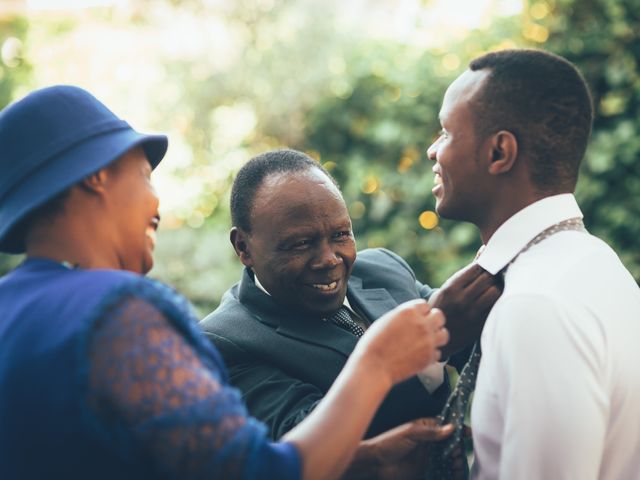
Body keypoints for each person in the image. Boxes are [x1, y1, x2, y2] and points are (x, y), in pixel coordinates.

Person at [0, 85, 452, 480]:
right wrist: (376, 365)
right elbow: (255, 473)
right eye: (144, 175)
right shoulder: (119, 309)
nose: (156, 203)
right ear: (97, 176)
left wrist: (366, 462)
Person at [200, 149, 501, 478]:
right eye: (301, 243)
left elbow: (482, 339)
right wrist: (436, 344)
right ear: (243, 247)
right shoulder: (224, 343)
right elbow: (306, 437)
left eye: (341, 235)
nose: (329, 259)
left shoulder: (384, 270)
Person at [427, 48, 640, 479]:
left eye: (447, 133)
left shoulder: (536, 305)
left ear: (499, 152)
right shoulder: (597, 264)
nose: (433, 151)